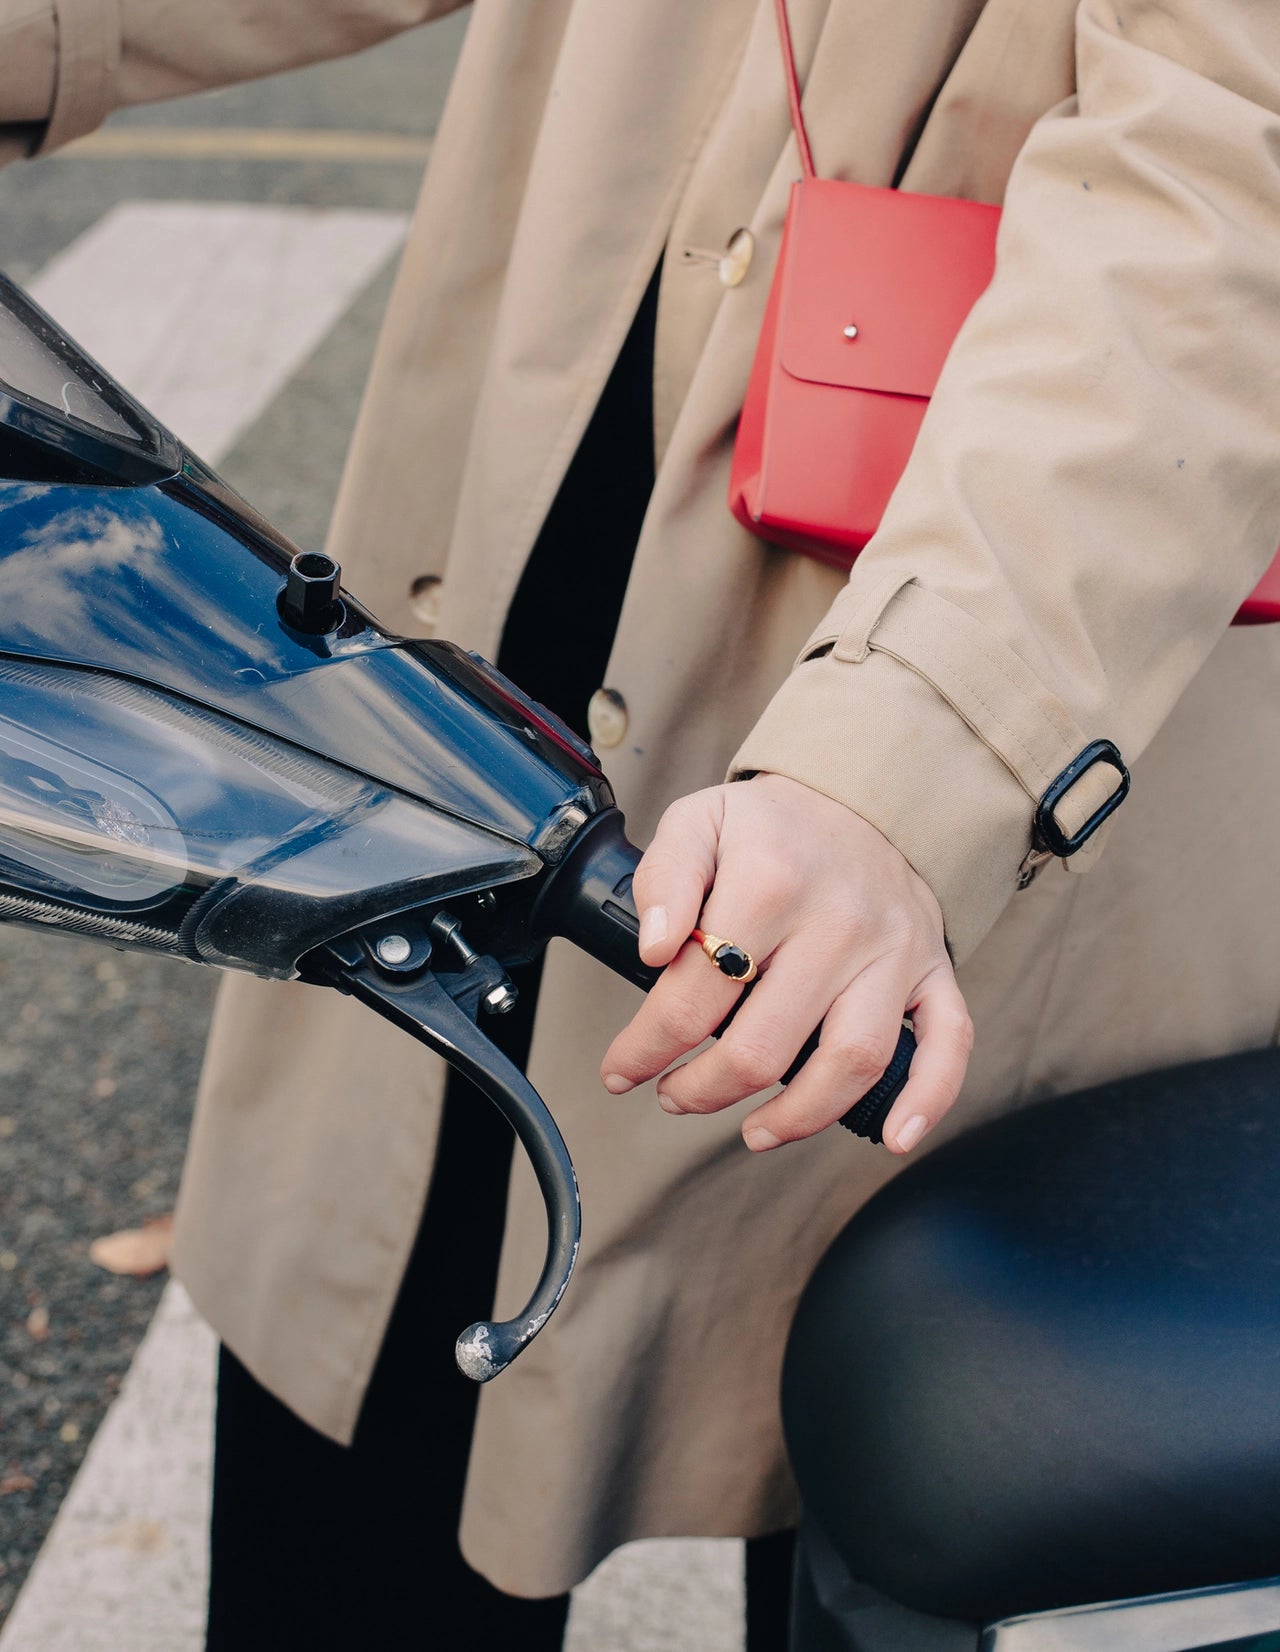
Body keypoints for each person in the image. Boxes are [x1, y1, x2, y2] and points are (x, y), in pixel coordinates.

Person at [3, 1, 1280, 1645]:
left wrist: (922, 743)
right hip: (480, 607)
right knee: (370, 1405)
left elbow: (1226, 170)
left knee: (883, 1461)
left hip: (967, 650)